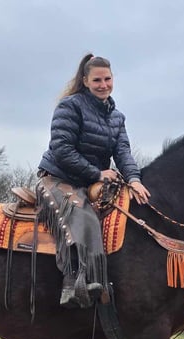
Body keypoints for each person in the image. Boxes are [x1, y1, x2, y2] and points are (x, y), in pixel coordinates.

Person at [38, 53, 151, 309]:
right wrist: (98, 173)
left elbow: (123, 152)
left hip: (91, 183)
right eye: (97, 80)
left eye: (108, 79)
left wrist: (134, 179)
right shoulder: (70, 106)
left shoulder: (116, 117)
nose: (103, 85)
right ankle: (74, 282)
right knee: (82, 215)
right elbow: (62, 149)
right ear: (86, 81)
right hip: (58, 178)